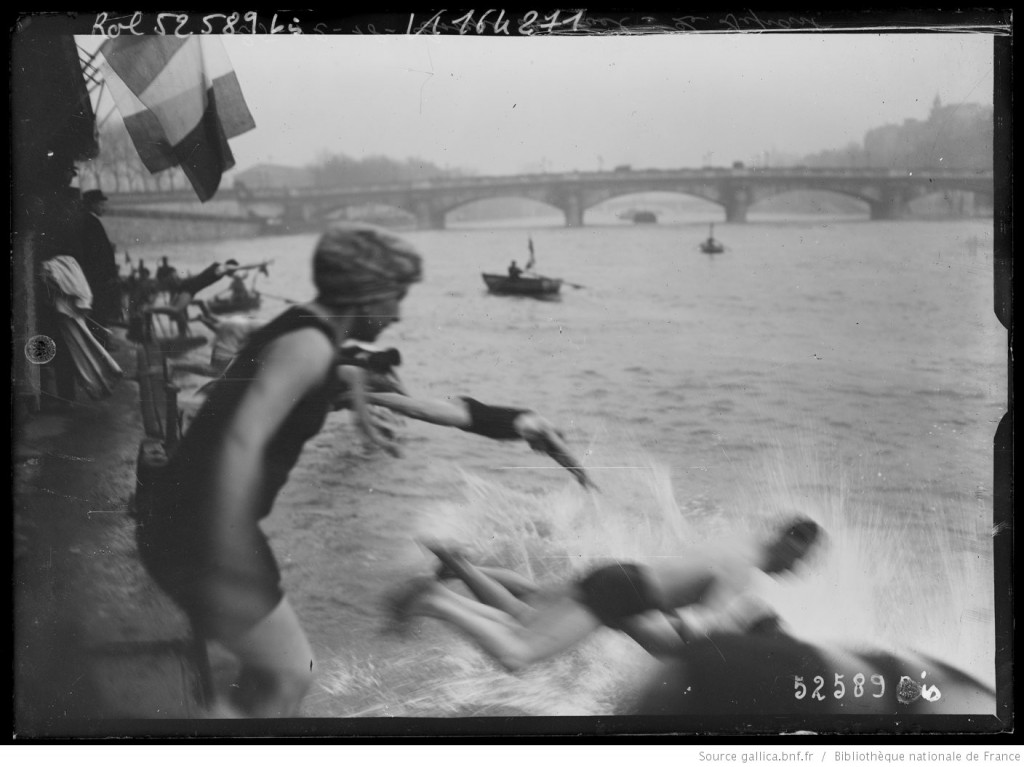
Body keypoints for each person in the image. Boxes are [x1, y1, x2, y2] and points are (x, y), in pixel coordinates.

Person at [135, 222, 592, 717]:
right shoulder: (308, 345)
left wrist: (517, 422)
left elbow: (419, 406)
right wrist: (227, 550)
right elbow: (242, 439)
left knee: (268, 681)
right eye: (395, 296)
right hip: (202, 532)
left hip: (196, 524)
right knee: (290, 675)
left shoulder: (310, 338)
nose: (397, 312)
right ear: (365, 291)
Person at [390, 517, 823, 672]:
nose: (796, 569)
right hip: (623, 593)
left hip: (618, 576)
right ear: (787, 544)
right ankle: (435, 601)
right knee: (517, 656)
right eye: (798, 559)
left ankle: (447, 587)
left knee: (524, 618)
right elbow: (694, 627)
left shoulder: (739, 542)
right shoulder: (742, 570)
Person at [78, 189, 122, 330]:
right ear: (92, 205)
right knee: (99, 308)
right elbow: (96, 252)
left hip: (93, 275)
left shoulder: (87, 219)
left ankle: (101, 338)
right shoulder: (91, 222)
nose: (105, 208)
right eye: (102, 204)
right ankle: (102, 340)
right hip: (98, 276)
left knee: (97, 309)